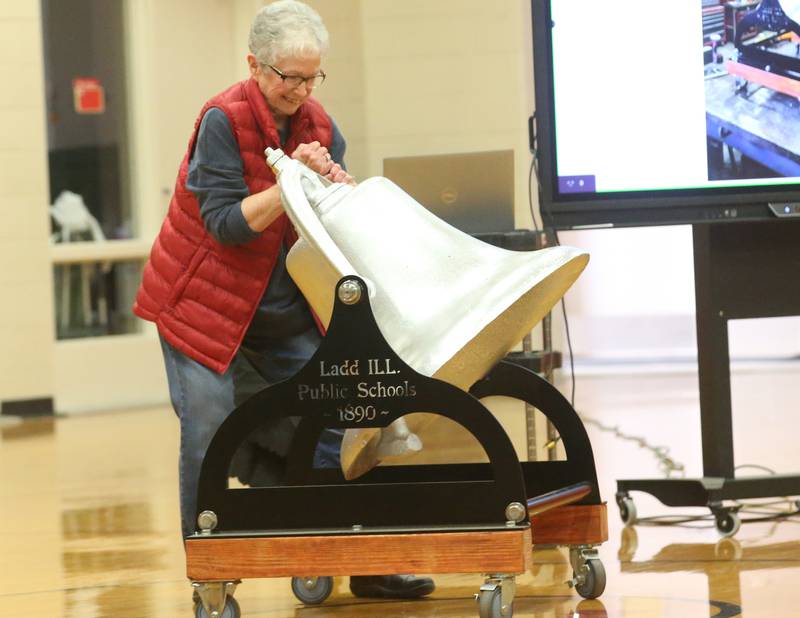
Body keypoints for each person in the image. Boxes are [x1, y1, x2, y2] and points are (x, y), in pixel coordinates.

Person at [133, 0, 434, 601]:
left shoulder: (320, 123)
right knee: (210, 426)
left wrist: (333, 190)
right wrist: (291, 181)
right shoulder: (221, 119)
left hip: (277, 307)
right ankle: (212, 574)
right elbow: (225, 224)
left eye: (310, 76)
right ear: (255, 64)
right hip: (202, 307)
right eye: (287, 76)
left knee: (348, 408)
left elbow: (326, 222)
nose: (299, 89)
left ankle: (344, 552)